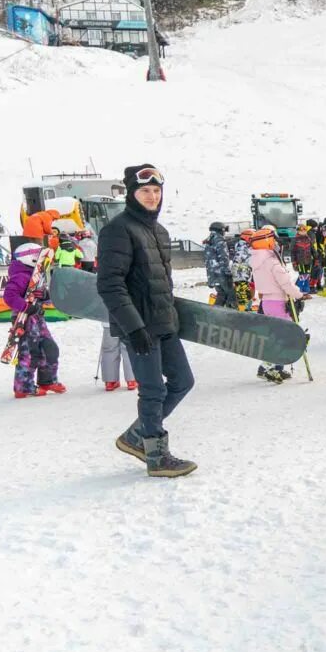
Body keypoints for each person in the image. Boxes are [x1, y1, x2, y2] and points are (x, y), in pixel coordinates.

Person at [96, 164, 196, 478]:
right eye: (145, 191)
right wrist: (133, 327)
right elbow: (110, 284)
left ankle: (137, 435)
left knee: (183, 381)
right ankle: (156, 455)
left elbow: (160, 282)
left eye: (156, 191)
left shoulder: (159, 231)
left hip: (164, 322)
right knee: (152, 390)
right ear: (132, 194)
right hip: (139, 326)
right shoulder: (118, 229)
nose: (152, 197)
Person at [248, 226, 310, 382]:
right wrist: (299, 294)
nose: (276, 243)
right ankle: (267, 367)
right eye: (274, 239)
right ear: (268, 241)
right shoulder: (271, 262)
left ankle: (277, 368)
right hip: (279, 302)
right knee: (284, 336)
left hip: (267, 301)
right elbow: (286, 283)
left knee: (276, 334)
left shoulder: (257, 261)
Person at [4, 242, 64, 398]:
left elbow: (41, 295)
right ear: (29, 257)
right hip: (24, 318)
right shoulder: (20, 275)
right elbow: (9, 296)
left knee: (50, 348)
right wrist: (25, 306)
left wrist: (44, 296)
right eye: (39, 256)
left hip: (37, 316)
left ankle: (47, 380)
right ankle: (23, 387)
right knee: (30, 352)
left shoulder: (35, 275)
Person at [203, 221, 236, 308]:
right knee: (231, 295)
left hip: (212, 274)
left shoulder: (209, 241)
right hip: (221, 274)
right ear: (221, 230)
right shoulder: (220, 241)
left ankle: (216, 315)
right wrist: (228, 273)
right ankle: (233, 315)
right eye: (224, 230)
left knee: (221, 295)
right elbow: (224, 258)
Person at [100, 322, 137, 391]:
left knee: (109, 350)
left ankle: (110, 381)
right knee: (128, 349)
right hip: (128, 321)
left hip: (108, 323)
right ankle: (131, 380)